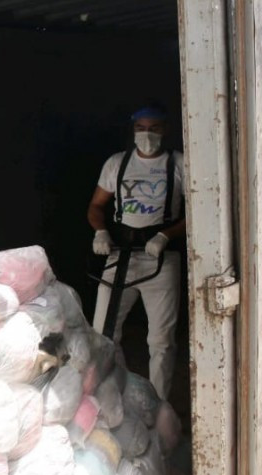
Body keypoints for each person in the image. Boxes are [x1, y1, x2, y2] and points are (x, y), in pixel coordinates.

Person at [87, 106, 186, 400]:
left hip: (160, 259)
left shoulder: (178, 164)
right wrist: (101, 231)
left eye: (154, 128)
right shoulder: (118, 163)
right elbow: (96, 206)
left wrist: (165, 235)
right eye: (141, 128)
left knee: (161, 341)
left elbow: (202, 207)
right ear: (132, 131)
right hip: (122, 254)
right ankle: (117, 396)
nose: (147, 134)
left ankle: (159, 405)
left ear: (165, 130)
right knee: (103, 333)